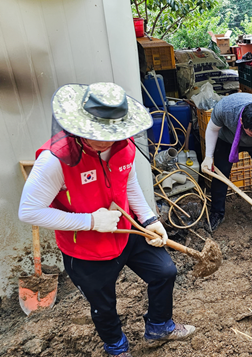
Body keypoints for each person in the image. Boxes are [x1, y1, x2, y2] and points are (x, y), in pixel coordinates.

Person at [19, 82, 195, 357]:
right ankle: (116, 346)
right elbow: (28, 211)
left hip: (125, 233)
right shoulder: (56, 160)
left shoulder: (123, 147)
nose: (105, 140)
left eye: (111, 133)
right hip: (86, 248)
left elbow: (129, 182)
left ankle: (159, 326)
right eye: (98, 133)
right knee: (103, 303)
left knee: (165, 272)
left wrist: (149, 219)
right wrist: (90, 221)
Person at [201, 92, 252, 234]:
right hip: (227, 139)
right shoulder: (226, 109)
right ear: (242, 122)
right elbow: (213, 129)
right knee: (220, 175)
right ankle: (217, 214)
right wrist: (208, 156)